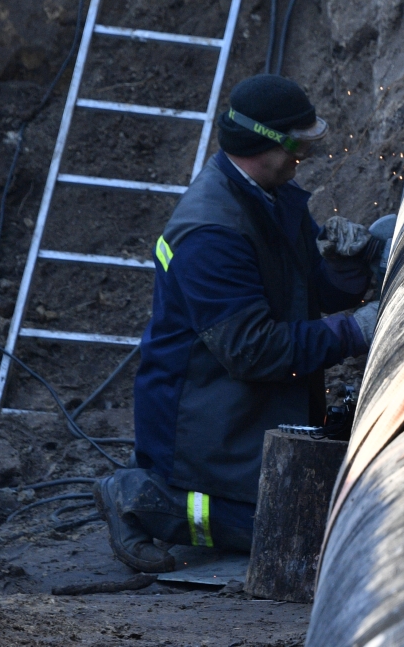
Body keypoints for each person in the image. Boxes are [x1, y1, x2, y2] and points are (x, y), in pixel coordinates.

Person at [93, 75, 385, 573]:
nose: (303, 159)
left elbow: (308, 293)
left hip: (255, 406)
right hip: (206, 427)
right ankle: (143, 496)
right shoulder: (211, 233)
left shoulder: (269, 196)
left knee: (319, 513)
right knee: (293, 530)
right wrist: (356, 331)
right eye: (298, 147)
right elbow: (254, 350)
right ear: (263, 144)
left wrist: (346, 267)